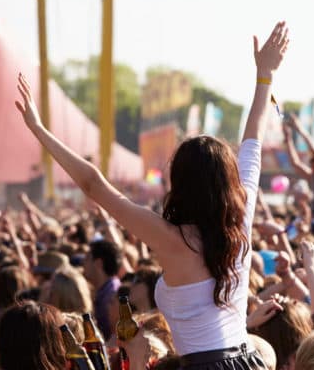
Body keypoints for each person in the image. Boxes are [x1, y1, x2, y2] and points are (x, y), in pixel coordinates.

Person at [15, 22, 290, 369]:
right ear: (228, 182)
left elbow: (94, 185)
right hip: (248, 361)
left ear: (180, 183)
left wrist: (40, 131)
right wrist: (264, 76)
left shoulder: (172, 238)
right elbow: (254, 141)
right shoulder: (242, 215)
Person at [84, 239, 122, 337]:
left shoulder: (112, 295)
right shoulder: (105, 291)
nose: (83, 263)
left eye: (87, 258)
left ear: (98, 263)